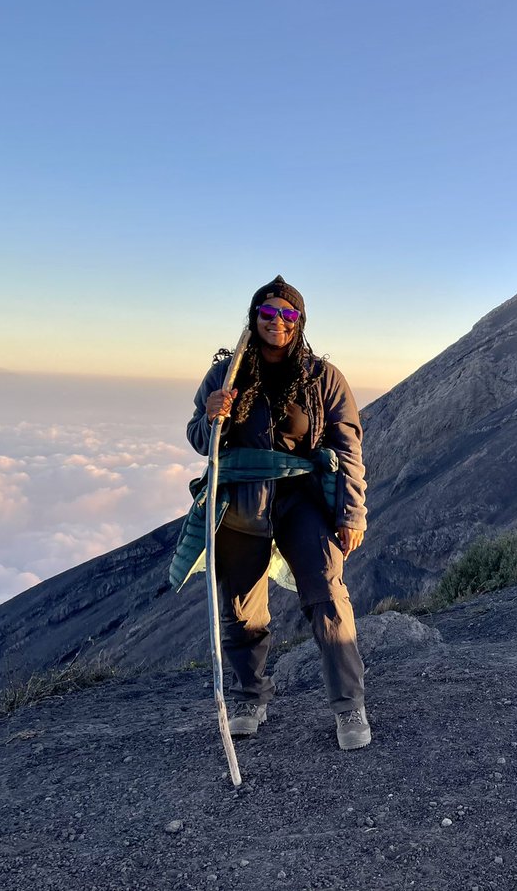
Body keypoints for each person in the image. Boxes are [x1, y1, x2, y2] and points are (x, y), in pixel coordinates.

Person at [186, 275, 371, 750]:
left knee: (327, 592)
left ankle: (349, 707)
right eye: (268, 314)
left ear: (300, 321)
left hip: (300, 496)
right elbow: (201, 444)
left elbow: (347, 446)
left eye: (287, 315)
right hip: (242, 499)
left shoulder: (321, 377)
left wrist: (352, 513)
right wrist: (210, 416)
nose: (278, 323)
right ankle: (251, 697)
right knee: (241, 605)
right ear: (254, 318)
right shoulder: (226, 376)